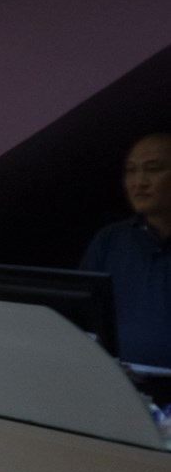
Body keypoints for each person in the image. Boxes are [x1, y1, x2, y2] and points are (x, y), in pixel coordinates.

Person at [81, 132, 171, 368]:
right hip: (121, 381)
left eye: (153, 169)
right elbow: (82, 316)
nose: (139, 182)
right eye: (131, 171)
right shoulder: (111, 240)